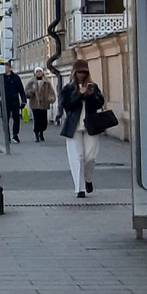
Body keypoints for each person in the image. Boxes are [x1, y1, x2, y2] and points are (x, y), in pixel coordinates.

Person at [61, 58, 105, 198]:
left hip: (91, 126)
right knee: (77, 157)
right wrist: (79, 94)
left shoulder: (93, 86)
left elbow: (99, 103)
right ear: (75, 72)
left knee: (91, 157)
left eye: (85, 72)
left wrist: (90, 96)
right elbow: (66, 106)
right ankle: (78, 189)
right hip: (74, 127)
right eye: (80, 72)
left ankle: (88, 179)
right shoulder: (68, 88)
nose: (82, 75)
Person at [0, 61, 27, 143]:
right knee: (5, 120)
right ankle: (7, 135)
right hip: (4, 101)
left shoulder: (16, 77)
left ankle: (15, 134)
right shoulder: (0, 78)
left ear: (9, 68)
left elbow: (21, 89)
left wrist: (23, 100)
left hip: (14, 100)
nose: (5, 69)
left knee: (16, 119)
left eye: (6, 67)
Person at [25, 68, 56, 142]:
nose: (39, 73)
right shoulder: (32, 82)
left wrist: (50, 98)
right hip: (35, 104)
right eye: (37, 72)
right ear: (35, 73)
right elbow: (26, 91)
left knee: (43, 121)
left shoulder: (46, 82)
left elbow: (51, 92)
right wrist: (31, 92)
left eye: (40, 72)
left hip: (44, 104)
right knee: (37, 120)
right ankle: (37, 134)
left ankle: (41, 132)